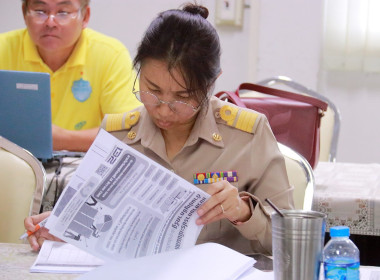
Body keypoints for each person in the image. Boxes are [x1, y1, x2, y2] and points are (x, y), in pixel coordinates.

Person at [24, 3, 294, 255]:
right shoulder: (117, 135)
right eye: (152, 90)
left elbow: (290, 242)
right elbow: (100, 223)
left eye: (183, 97)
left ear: (212, 83)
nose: (164, 110)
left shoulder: (247, 135)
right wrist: (65, 225)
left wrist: (243, 212)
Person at [0, 0, 140, 151]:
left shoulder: (110, 55)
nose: (50, 22)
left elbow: (132, 132)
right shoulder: (3, 48)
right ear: (24, 13)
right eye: (40, 11)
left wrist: (62, 139)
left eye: (63, 12)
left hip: (81, 165)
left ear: (85, 16)